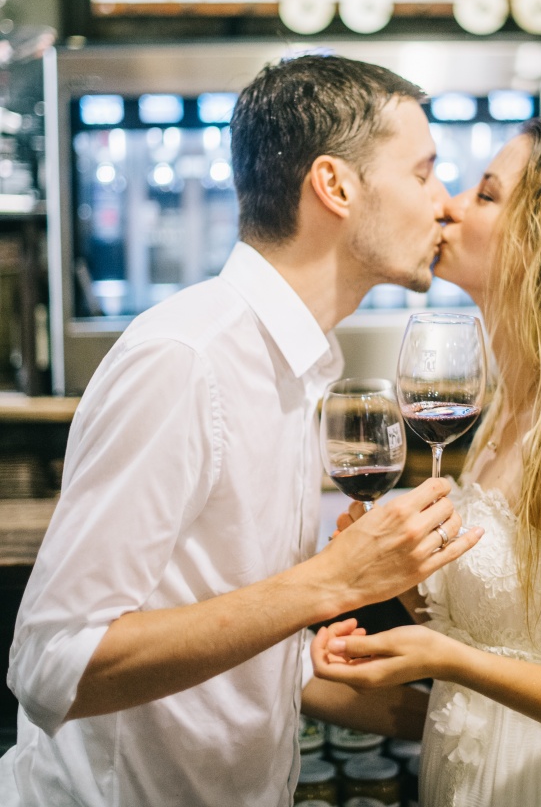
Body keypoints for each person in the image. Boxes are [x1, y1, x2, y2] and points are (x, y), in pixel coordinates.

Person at [3, 53, 483, 807]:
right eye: (424, 173)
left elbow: (230, 631)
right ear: (335, 186)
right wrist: (332, 581)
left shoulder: (297, 362)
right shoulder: (187, 359)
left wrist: (469, 722)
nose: (444, 203)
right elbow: (52, 665)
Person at [312, 118, 541, 807]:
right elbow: (508, 629)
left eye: (486, 195)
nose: (450, 204)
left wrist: (451, 660)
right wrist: (396, 583)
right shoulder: (509, 408)